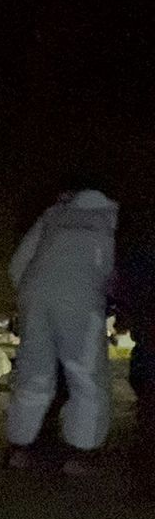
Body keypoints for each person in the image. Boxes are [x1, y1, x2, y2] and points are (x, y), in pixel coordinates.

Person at [6, 177, 119, 474]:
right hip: (81, 297)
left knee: (34, 372)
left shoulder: (55, 213)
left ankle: (20, 446)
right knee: (86, 374)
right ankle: (82, 452)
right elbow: (116, 268)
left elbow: (18, 264)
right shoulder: (113, 217)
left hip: (35, 293)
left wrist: (28, 296)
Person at [115, 204, 154, 494]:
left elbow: (126, 293)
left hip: (149, 350)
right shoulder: (141, 256)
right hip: (149, 349)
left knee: (149, 413)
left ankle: (145, 477)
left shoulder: (140, 255)